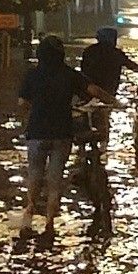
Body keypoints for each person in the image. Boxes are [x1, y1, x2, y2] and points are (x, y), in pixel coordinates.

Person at [17, 34, 112, 245]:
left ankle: (27, 221)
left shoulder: (31, 75)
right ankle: (49, 225)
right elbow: (93, 90)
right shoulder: (69, 75)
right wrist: (115, 101)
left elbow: (22, 103)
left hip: (36, 134)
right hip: (61, 134)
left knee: (34, 177)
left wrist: (33, 112)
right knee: (54, 181)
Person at [80, 26, 138, 142]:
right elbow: (132, 66)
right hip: (108, 92)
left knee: (88, 114)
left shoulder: (89, 51)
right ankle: (103, 140)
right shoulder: (116, 53)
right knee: (104, 116)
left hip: (88, 90)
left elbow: (82, 71)